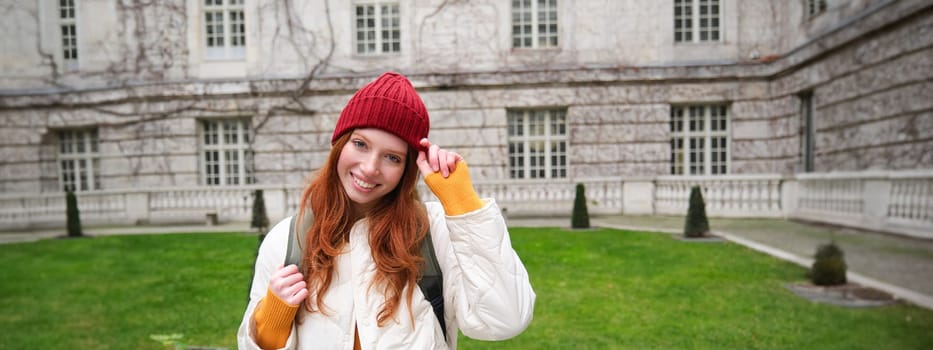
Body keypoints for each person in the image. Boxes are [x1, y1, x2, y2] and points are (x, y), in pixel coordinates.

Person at [237, 72, 536, 349]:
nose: (369, 168)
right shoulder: (288, 239)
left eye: (392, 157)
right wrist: (272, 320)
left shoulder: (433, 232)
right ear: (340, 145)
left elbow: (505, 319)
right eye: (360, 144)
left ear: (407, 169)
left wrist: (463, 203)